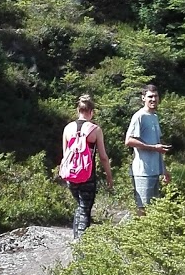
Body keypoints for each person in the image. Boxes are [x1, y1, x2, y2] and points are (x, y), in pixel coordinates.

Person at [61, 93, 113, 240]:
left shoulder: (67, 128)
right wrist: (109, 175)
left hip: (71, 175)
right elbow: (103, 157)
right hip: (87, 175)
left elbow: (65, 155)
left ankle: (76, 238)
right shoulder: (95, 130)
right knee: (85, 209)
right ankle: (81, 243)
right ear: (92, 112)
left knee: (80, 206)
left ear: (78, 110)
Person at [125, 82, 171, 212]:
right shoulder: (139, 116)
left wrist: (164, 170)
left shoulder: (154, 117)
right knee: (143, 208)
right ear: (143, 98)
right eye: (150, 96)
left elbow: (158, 145)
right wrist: (153, 148)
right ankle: (139, 232)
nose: (153, 99)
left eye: (155, 96)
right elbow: (129, 141)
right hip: (142, 172)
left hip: (155, 171)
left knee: (153, 209)